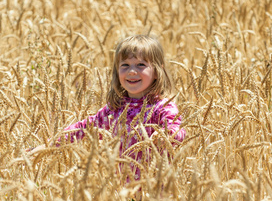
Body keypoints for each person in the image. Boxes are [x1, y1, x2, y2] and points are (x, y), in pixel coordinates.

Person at [28, 34, 185, 181]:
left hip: (156, 191)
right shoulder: (115, 109)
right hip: (124, 192)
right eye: (125, 65)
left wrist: (166, 135)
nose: (132, 71)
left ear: (157, 71)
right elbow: (83, 128)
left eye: (140, 65)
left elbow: (178, 132)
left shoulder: (163, 107)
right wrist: (46, 147)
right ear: (117, 70)